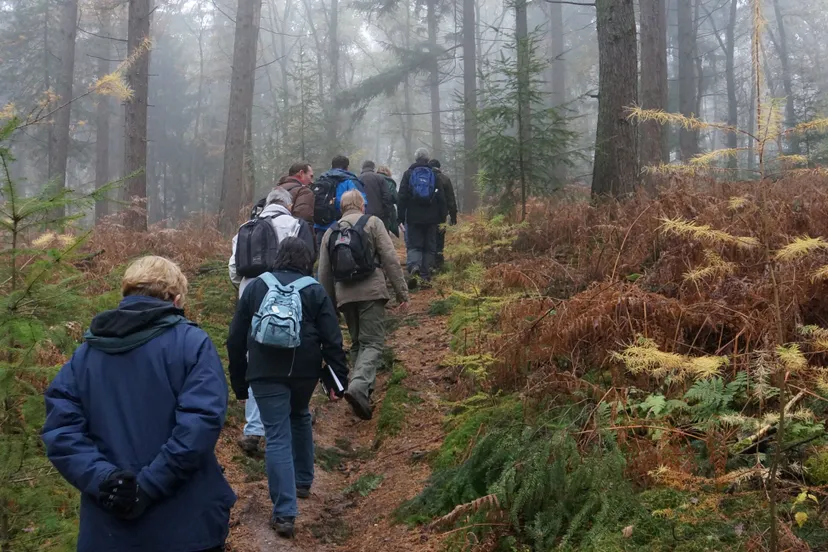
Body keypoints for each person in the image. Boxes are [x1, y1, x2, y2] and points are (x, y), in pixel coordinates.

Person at [42, 256, 235, 552]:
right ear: (177, 299)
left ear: (126, 295)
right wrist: (147, 486)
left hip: (107, 533)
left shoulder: (85, 355)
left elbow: (61, 430)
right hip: (186, 529)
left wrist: (106, 480)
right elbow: (199, 424)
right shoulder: (192, 344)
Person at [227, 237, 349, 539]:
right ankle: (304, 481)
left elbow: (235, 337)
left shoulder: (257, 286)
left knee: (277, 436)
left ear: (278, 257)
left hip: (265, 373)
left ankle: (284, 514)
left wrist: (240, 384)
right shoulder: (315, 290)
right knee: (299, 415)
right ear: (306, 260)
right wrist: (338, 380)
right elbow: (333, 339)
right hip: (305, 371)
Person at [229, 187, 315, 456]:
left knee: (254, 355)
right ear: (288, 205)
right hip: (290, 296)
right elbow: (305, 260)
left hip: (251, 292)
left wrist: (245, 291)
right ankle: (288, 418)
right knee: (290, 352)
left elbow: (234, 268)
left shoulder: (246, 227)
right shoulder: (295, 224)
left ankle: (254, 429)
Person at [318, 190, 410, 420]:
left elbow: (324, 274)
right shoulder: (372, 222)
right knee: (373, 343)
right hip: (371, 291)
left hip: (344, 295)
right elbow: (389, 257)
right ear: (361, 205)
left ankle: (361, 394)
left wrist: (329, 307)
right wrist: (402, 293)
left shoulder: (331, 231)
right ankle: (359, 387)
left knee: (358, 343)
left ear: (342, 207)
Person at [398, 147, 446, 287]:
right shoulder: (433, 174)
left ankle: (414, 267)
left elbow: (402, 196)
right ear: (427, 159)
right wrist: (443, 218)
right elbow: (441, 197)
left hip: (413, 217)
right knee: (429, 247)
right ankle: (425, 277)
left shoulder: (408, 174)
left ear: (416, 158)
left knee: (414, 245)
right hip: (432, 218)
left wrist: (400, 217)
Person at [311, 155, 368, 254]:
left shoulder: (321, 180)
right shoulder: (350, 181)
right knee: (343, 261)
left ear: (332, 166)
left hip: (320, 226)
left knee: (323, 261)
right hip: (343, 229)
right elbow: (362, 203)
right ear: (347, 167)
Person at [428, 159, 457, 271]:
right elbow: (450, 198)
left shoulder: (427, 178)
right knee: (440, 238)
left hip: (427, 214)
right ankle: (439, 264)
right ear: (439, 167)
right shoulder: (445, 179)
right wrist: (453, 216)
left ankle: (428, 264)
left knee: (429, 238)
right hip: (441, 214)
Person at [359, 160, 393, 231]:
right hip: (379, 215)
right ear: (373, 168)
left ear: (362, 168)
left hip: (362, 215)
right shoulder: (380, 178)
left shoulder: (358, 179)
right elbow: (387, 196)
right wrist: (386, 213)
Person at [377, 165, 399, 237]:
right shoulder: (390, 182)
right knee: (384, 234)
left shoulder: (374, 179)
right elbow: (395, 198)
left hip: (374, 210)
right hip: (386, 212)